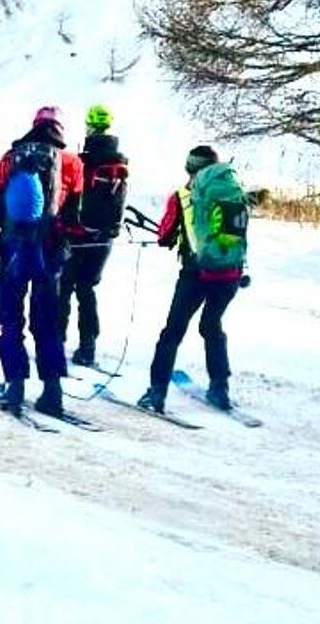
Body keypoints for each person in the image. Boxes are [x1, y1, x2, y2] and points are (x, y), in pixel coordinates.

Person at [137, 145, 248, 413]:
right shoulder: (234, 191)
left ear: (189, 168)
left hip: (196, 274)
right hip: (231, 274)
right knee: (211, 325)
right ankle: (220, 388)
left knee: (173, 331)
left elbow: (164, 235)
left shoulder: (182, 195)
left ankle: (157, 392)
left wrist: (173, 237)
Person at [0, 107, 84, 416]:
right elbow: (74, 215)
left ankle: (14, 386)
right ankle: (52, 391)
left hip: (15, 249)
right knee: (47, 321)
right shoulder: (72, 162)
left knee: (11, 318)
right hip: (51, 252)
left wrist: (13, 232)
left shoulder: (11, 156)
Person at [59, 104, 127, 368]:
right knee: (87, 289)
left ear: (89, 126)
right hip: (104, 236)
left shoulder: (81, 160)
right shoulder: (120, 162)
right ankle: (88, 347)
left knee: (64, 287)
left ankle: (57, 340)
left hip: (77, 234)